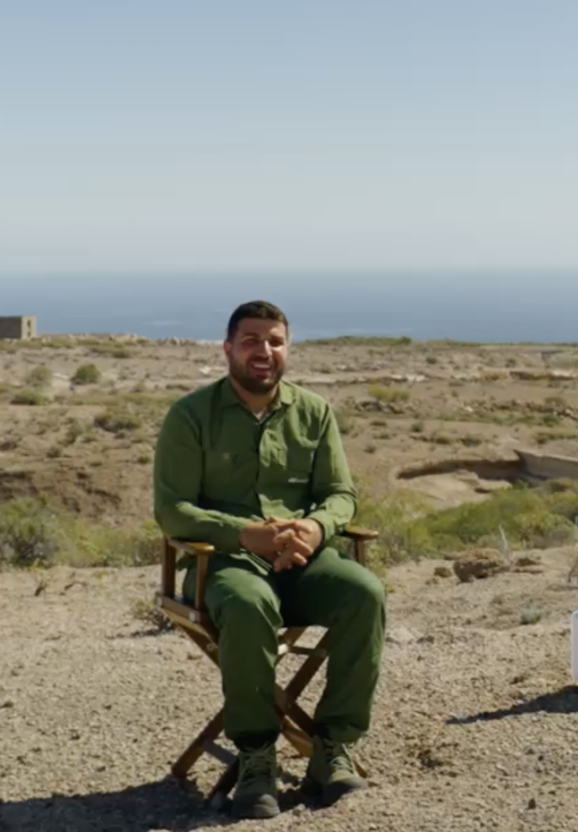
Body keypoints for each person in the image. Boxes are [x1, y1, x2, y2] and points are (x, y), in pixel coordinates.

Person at [153, 301, 383, 817]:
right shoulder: (190, 416)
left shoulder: (314, 412)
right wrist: (244, 534)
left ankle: (332, 750)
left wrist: (314, 527)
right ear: (229, 348)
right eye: (252, 340)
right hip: (225, 564)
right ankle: (257, 757)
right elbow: (172, 510)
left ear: (287, 349)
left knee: (364, 593)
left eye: (274, 341)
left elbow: (340, 494)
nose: (264, 351)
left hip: (302, 560)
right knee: (249, 604)